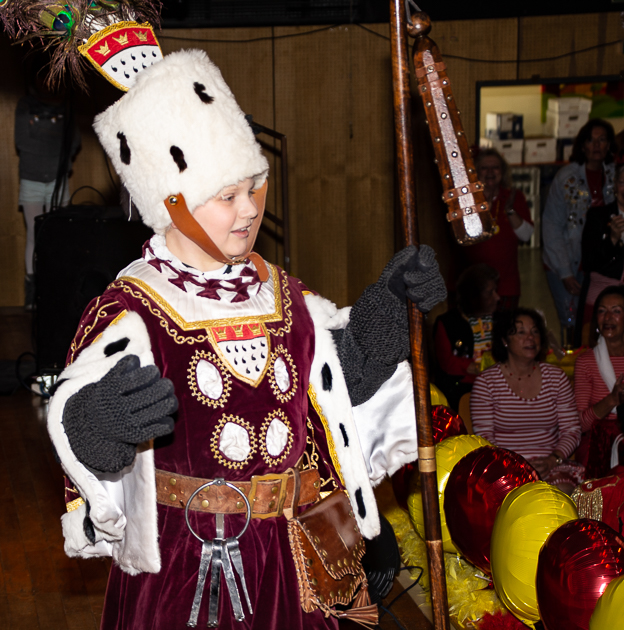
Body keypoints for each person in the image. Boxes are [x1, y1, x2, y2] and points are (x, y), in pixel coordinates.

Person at [45, 50, 446, 629]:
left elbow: (339, 388)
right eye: (227, 196)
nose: (249, 210)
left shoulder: (281, 294)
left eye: (254, 188)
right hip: (187, 571)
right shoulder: (131, 311)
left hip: (293, 563)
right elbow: (75, 427)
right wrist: (100, 423)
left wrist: (388, 311)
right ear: (172, 204)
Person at [471, 308, 583, 493]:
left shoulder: (556, 377)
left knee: (558, 492)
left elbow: (571, 430)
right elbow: (485, 439)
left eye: (535, 331)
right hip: (504, 467)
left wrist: (553, 459)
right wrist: (518, 465)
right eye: (521, 332)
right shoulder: (487, 382)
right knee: (511, 494)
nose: (530, 338)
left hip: (550, 465)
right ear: (504, 340)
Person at [14, 62, 80, 308]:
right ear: (34, 80)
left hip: (58, 180)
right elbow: (22, 142)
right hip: (31, 179)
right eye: (41, 78)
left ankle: (56, 290)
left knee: (58, 235)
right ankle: (33, 292)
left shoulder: (66, 106)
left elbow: (74, 142)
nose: (46, 83)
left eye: (49, 78)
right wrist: (53, 139)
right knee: (34, 234)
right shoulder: (25, 105)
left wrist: (43, 135)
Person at [542, 119, 616, 337]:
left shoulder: (616, 177)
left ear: (609, 145)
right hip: (566, 262)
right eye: (591, 140)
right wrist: (565, 272)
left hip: (601, 263)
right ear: (582, 145)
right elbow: (552, 226)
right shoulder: (566, 178)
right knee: (572, 323)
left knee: (599, 322)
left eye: (602, 140)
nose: (596, 145)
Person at [463, 148, 533, 310]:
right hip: (472, 287)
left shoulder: (513, 197)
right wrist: (482, 210)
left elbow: (526, 235)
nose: (490, 172)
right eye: (484, 168)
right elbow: (462, 239)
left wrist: (510, 211)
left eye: (495, 167)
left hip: (506, 286)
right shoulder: (466, 199)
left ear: (503, 171)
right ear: (475, 172)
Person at [574, 285, 624, 479]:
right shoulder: (585, 361)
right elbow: (579, 425)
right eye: (601, 311)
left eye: (616, 311)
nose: (607, 318)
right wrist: (612, 400)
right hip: (596, 446)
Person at [433, 263, 500, 411]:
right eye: (490, 292)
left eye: (496, 291)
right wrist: (474, 367)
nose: (497, 297)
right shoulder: (448, 322)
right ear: (474, 297)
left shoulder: (500, 320)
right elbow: (447, 363)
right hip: (462, 390)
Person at [581, 153, 624, 331]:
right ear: (615, 186)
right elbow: (589, 263)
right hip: (601, 304)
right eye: (622, 182)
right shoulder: (598, 217)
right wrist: (613, 239)